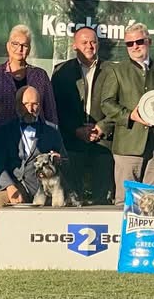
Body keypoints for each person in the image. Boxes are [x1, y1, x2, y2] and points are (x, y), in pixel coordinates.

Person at [0, 86, 67, 263]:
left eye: (35, 104)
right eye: (26, 104)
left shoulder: (52, 130)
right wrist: (9, 186)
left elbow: (65, 160)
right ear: (18, 105)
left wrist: (59, 160)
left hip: (34, 186)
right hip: (4, 178)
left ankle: (5, 249)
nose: (31, 108)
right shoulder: (4, 131)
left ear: (40, 105)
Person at [95, 23, 154, 203]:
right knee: (126, 203)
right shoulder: (117, 71)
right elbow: (107, 103)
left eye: (139, 41)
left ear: (149, 42)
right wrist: (129, 115)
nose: (135, 46)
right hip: (128, 145)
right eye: (129, 43)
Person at [0, 24, 58, 174]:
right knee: (5, 183)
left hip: (36, 145)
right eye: (15, 44)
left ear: (29, 49)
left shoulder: (40, 75)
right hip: (2, 143)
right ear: (8, 46)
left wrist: (54, 143)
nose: (19, 49)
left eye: (24, 45)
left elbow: (50, 112)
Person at [52, 26, 114, 205]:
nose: (89, 46)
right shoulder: (61, 71)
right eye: (84, 42)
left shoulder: (112, 70)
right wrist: (75, 130)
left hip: (103, 143)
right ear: (74, 46)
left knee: (102, 199)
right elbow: (55, 107)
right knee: (72, 199)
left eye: (93, 42)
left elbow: (118, 104)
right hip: (72, 143)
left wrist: (102, 127)